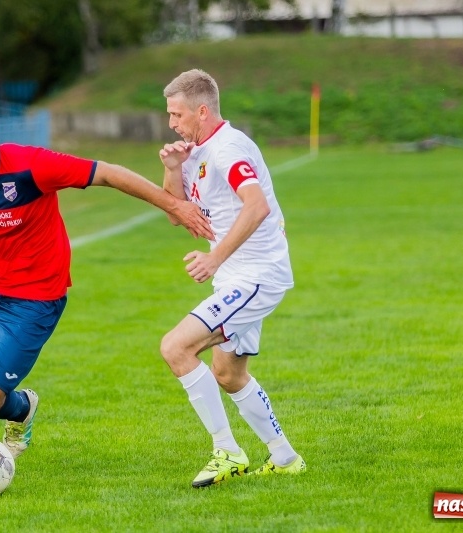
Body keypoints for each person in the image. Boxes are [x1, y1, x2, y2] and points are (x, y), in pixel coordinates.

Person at [0, 101, 212, 483]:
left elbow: (107, 173)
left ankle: (22, 409)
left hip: (34, 299)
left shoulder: (31, 166)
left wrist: (174, 205)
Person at [158, 69, 305, 488]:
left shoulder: (227, 149)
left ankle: (227, 450)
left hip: (256, 277)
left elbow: (256, 206)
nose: (171, 123)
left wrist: (213, 258)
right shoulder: (196, 151)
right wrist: (173, 168)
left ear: (202, 111)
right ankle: (285, 457)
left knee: (176, 347)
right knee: (228, 374)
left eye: (177, 114)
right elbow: (176, 215)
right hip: (237, 279)